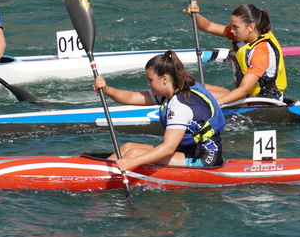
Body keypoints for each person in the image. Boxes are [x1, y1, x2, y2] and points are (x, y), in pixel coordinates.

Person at [93, 50, 226, 171]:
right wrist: (106, 89)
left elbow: (168, 148)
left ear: (164, 79)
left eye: (150, 80)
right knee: (128, 147)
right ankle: (96, 171)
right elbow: (131, 97)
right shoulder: (174, 88)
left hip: (204, 159)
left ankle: (99, 176)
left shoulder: (179, 106)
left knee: (134, 154)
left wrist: (131, 162)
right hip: (186, 150)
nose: (148, 84)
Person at [186, 0, 287, 104]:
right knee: (191, 85)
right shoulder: (245, 34)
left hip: (263, 102)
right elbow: (207, 26)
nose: (232, 30)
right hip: (245, 96)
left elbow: (244, 89)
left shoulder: (261, 51)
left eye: (235, 27)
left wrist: (216, 103)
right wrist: (195, 15)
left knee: (195, 93)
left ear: (251, 27)